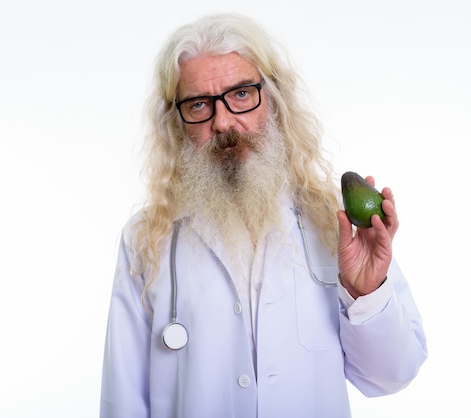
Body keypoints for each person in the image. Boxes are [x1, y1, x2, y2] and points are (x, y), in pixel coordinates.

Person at [100, 13, 427, 418]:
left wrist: (367, 291)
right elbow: (123, 401)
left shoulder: (333, 224)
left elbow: (391, 376)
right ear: (175, 120)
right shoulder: (145, 240)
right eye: (199, 104)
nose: (222, 122)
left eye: (240, 94)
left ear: (272, 98)